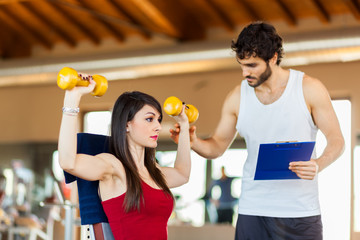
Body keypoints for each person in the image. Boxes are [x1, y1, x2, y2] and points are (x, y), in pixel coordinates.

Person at [170, 21, 344, 239]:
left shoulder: (309, 88)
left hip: (299, 213)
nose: (244, 72)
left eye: (252, 65)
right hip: (252, 211)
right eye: (241, 64)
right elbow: (217, 146)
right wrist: (193, 141)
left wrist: (319, 164)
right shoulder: (237, 97)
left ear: (272, 58)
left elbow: (337, 140)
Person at [58, 76, 191, 240]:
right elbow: (68, 162)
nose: (158, 126)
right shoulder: (114, 168)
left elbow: (182, 174)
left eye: (158, 120)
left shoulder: (154, 172)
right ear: (126, 124)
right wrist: (72, 98)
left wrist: (184, 127)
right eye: (149, 119)